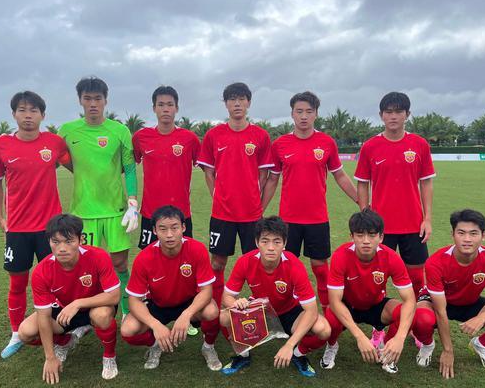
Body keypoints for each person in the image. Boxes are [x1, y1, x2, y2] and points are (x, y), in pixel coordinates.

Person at [0, 91, 70, 358]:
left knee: (57, 281)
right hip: (18, 229)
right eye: (22, 110)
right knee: (17, 282)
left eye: (33, 110)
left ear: (42, 115)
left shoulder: (54, 143)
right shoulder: (1, 145)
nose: (28, 115)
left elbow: (76, 166)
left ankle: (63, 330)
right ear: (14, 114)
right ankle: (16, 333)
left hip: (50, 230)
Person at [354, 92, 435, 348]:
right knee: (377, 279)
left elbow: (426, 183)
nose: (393, 116)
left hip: (413, 224)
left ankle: (414, 325)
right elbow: (362, 183)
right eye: (388, 112)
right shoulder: (370, 146)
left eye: (398, 111)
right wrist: (366, 218)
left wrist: (428, 218)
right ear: (381, 115)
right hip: (380, 228)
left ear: (407, 115)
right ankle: (379, 326)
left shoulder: (419, 145)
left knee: (416, 279)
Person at [262, 91, 357, 308]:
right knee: (286, 266)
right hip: (288, 219)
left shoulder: (326, 142)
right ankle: (287, 310)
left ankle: (328, 309)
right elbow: (272, 180)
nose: (304, 116)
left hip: (317, 217)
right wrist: (259, 209)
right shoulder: (280, 144)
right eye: (299, 111)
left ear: (316, 114)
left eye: (309, 111)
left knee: (320, 267)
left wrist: (361, 202)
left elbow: (340, 175)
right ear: (292, 114)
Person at [59, 77, 138, 317]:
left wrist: (133, 201)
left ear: (105, 100)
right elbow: (61, 160)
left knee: (120, 264)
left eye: (98, 98)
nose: (93, 104)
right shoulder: (67, 131)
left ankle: (127, 311)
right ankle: (87, 316)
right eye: (88, 98)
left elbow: (130, 169)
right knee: (86, 267)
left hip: (115, 210)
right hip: (83, 212)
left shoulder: (119, 131)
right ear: (80, 100)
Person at [319, 209, 435, 374]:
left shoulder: (391, 257)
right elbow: (335, 300)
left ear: (381, 237)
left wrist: (400, 338)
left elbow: (410, 300)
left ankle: (387, 350)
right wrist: (360, 336)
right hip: (348, 305)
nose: (366, 241)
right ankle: (332, 346)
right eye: (360, 235)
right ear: (352, 237)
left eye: (372, 235)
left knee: (409, 313)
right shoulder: (341, 255)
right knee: (331, 318)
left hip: (376, 305)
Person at [420, 209, 485, 378]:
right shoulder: (436, 262)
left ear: (483, 236)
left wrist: (482, 317)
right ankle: (427, 345)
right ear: (453, 234)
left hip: (470, 302)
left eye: (473, 233)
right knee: (421, 318)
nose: (467, 239)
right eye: (461, 233)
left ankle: (480, 344)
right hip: (438, 303)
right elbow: (440, 311)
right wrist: (448, 350)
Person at [196, 82, 273, 320]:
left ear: (249, 102)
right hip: (222, 214)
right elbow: (209, 173)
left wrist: (257, 203)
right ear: (226, 103)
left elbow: (264, 175)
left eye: (241, 99)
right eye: (232, 99)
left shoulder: (260, 136)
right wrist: (217, 197)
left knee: (257, 264)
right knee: (218, 262)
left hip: (252, 215)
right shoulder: (214, 135)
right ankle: (220, 309)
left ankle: (262, 313)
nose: (237, 104)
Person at [219, 216, 331, 377]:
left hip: (290, 311)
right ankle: (243, 355)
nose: (271, 247)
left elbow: (311, 310)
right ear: (257, 242)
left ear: (284, 243)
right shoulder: (246, 261)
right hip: (261, 310)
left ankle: (298, 354)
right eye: (265, 241)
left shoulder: (294, 264)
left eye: (277, 241)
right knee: (223, 317)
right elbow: (227, 296)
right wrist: (236, 303)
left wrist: (289, 345)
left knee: (323, 329)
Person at [17, 214, 120, 383]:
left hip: (97, 305)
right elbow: (43, 316)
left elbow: (114, 296)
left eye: (69, 241)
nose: (62, 248)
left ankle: (109, 356)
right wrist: (50, 357)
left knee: (101, 316)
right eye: (56, 242)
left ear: (81, 240)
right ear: (49, 242)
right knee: (25, 332)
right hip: (65, 311)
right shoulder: (41, 272)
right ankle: (64, 341)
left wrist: (78, 303)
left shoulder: (98, 256)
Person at [121, 206, 222, 370]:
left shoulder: (197, 249)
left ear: (183, 227)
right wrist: (155, 325)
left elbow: (207, 291)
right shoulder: (144, 258)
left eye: (174, 228)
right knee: (127, 329)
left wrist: (186, 315)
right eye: (163, 229)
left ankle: (208, 347)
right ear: (154, 230)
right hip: (158, 304)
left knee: (212, 311)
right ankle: (155, 344)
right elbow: (134, 300)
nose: (169, 234)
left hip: (189, 302)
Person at [132, 86, 200, 249]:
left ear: (176, 108)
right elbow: (130, 166)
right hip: (150, 212)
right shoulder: (140, 137)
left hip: (181, 213)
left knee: (184, 256)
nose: (165, 109)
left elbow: (207, 169)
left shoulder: (190, 139)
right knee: (150, 256)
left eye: (170, 104)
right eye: (161, 104)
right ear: (154, 108)